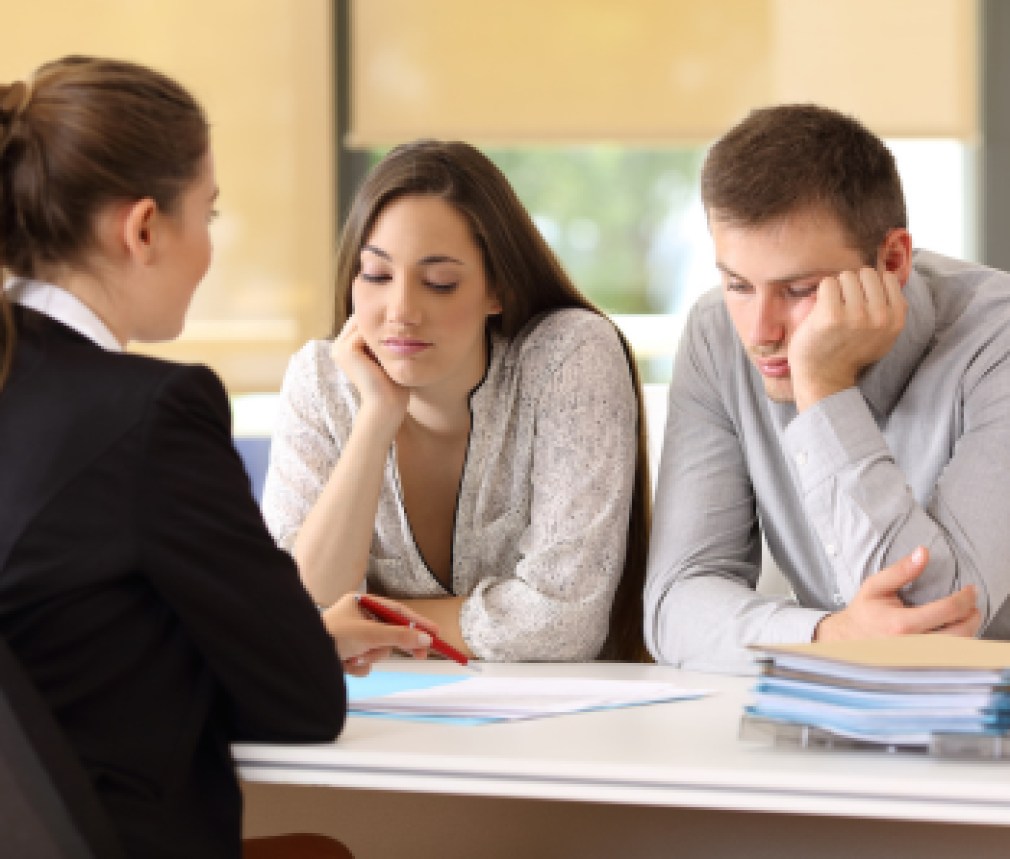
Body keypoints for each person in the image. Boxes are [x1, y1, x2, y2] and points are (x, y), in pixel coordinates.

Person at [0, 56, 434, 858]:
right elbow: (303, 703)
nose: (209, 246)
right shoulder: (152, 415)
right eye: (209, 212)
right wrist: (297, 645)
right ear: (143, 229)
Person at [645, 103, 1010, 672]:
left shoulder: (997, 340)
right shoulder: (716, 336)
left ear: (892, 260)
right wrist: (827, 636)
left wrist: (824, 389)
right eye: (738, 285)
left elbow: (931, 627)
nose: (761, 333)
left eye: (799, 290)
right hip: (839, 710)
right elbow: (675, 603)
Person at [262, 140, 651, 662]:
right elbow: (299, 604)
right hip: (382, 705)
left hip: (565, 708)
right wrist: (376, 419)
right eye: (376, 275)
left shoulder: (568, 355)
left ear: (498, 289)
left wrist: (370, 622)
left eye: (439, 283)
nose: (401, 310)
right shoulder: (319, 379)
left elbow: (563, 623)